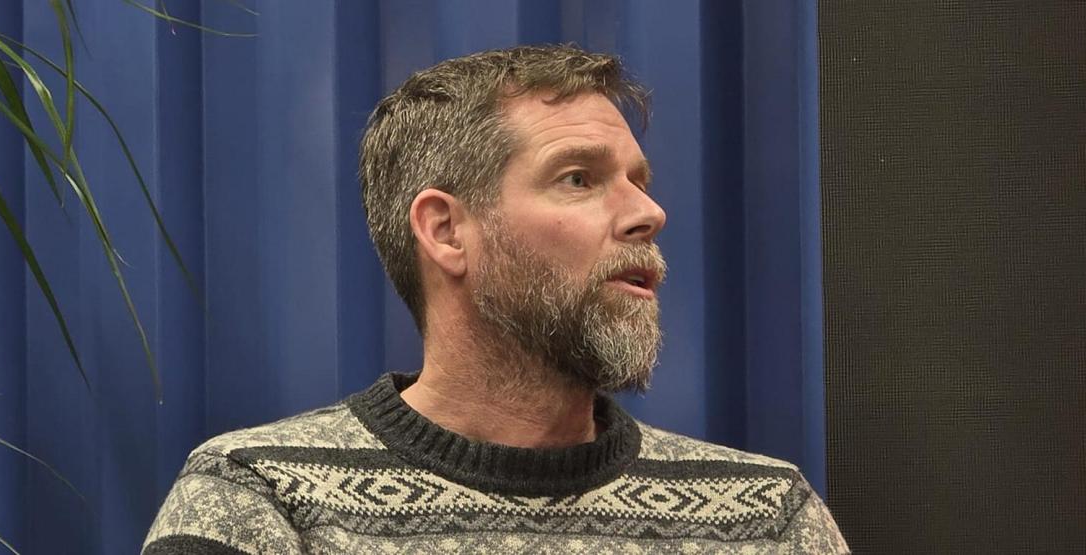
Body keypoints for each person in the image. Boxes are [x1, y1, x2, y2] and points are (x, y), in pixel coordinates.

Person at [143, 44, 849, 554]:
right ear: (446, 231)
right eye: (579, 178)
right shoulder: (259, 503)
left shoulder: (766, 519)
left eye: (639, 181)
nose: (648, 213)